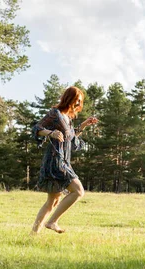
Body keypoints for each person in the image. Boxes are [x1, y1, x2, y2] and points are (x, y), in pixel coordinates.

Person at [31, 86, 98, 234]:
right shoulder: (55, 113)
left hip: (63, 160)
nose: (77, 104)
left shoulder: (68, 118)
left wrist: (84, 125)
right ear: (69, 98)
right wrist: (51, 133)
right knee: (79, 191)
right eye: (76, 100)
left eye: (80, 101)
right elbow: (37, 128)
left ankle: (32, 235)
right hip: (55, 162)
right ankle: (52, 222)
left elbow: (72, 139)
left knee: (52, 202)